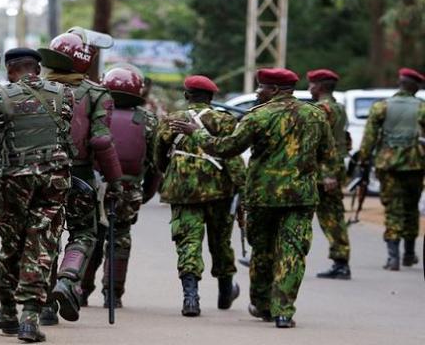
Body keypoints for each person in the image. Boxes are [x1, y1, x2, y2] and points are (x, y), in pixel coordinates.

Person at [170, 68, 338, 328]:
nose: (258, 92)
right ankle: (284, 312)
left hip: (264, 197)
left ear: (273, 90)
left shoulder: (258, 116)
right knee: (292, 253)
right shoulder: (315, 115)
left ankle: (262, 305)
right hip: (301, 196)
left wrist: (197, 132)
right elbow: (329, 154)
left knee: (263, 251)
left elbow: (226, 148)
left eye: (261, 88)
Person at [0, 47, 74, 343]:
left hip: (14, 180)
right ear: (38, 67)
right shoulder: (63, 94)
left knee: (12, 245)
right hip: (54, 179)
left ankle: (8, 311)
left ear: (10, 71)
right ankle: (30, 318)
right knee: (42, 244)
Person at [38, 28, 123, 324]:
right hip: (80, 174)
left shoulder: (34, 88)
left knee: (45, 234)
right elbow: (101, 140)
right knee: (84, 232)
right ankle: (68, 278)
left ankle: (46, 306)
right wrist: (115, 179)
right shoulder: (95, 93)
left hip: (39, 173)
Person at [154, 75, 245, 317]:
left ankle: (191, 299)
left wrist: (171, 174)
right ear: (212, 98)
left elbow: (158, 156)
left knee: (188, 243)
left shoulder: (171, 120)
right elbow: (232, 157)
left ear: (186, 95)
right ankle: (225, 292)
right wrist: (242, 187)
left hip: (182, 192)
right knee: (221, 242)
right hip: (219, 192)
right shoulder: (224, 120)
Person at [80, 66, 160, 308]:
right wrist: (147, 193)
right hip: (129, 189)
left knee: (91, 236)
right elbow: (155, 163)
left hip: (97, 185)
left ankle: (82, 291)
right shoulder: (148, 120)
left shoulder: (96, 113)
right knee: (120, 239)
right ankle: (113, 295)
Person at [359, 68, 425, 271]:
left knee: (393, 209)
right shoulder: (422, 108)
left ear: (400, 84)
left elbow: (369, 137)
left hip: (388, 165)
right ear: (413, 86)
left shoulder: (382, 107)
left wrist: (364, 160)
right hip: (415, 165)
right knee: (411, 208)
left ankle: (392, 258)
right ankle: (409, 253)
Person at [307, 69, 352, 279]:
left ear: (320, 87)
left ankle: (341, 262)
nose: (309, 89)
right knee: (334, 215)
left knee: (329, 217)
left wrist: (328, 173)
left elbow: (324, 145)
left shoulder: (322, 109)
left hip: (323, 170)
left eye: (312, 85)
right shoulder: (339, 108)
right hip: (333, 168)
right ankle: (341, 261)